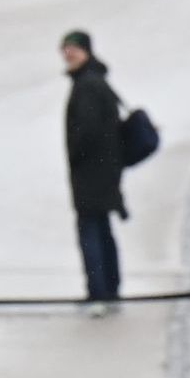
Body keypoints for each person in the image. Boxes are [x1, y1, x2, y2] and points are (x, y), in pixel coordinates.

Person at [60, 29, 129, 308]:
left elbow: (86, 131)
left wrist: (76, 155)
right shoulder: (96, 80)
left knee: (90, 230)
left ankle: (98, 290)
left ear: (86, 52)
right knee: (102, 228)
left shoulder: (87, 85)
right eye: (65, 50)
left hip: (92, 173)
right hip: (104, 171)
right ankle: (110, 287)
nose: (68, 55)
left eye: (73, 50)